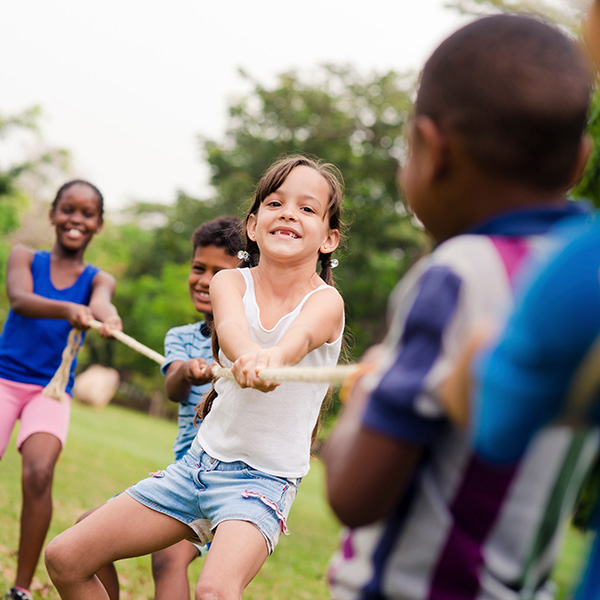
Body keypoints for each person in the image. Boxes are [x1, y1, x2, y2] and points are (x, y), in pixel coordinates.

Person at [323, 14, 598, 600]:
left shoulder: (457, 274)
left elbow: (355, 496)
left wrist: (366, 393)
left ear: (431, 149)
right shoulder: (587, 277)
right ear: (579, 160)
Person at [44, 154, 345, 600]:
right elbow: (232, 332)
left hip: (261, 483)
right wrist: (248, 358)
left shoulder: (326, 303)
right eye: (275, 203)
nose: (288, 213)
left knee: (213, 592)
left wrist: (272, 359)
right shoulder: (230, 283)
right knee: (65, 558)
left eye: (306, 208)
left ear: (328, 238)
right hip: (197, 467)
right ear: (253, 225)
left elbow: (297, 340)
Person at [76, 216, 244, 600]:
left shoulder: (249, 340)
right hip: (183, 476)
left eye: (219, 272)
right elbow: (172, 390)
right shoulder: (182, 338)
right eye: (198, 267)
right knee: (86, 531)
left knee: (167, 559)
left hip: (224, 481)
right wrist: (186, 371)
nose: (204, 280)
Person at [0, 180, 122, 600]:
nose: (76, 220)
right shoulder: (24, 258)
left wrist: (109, 319)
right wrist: (70, 309)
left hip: (49, 392)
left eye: (87, 214)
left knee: (39, 472)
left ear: (98, 225)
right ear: (53, 214)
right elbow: (19, 298)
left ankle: (20, 588)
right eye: (68, 210)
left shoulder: (96, 279)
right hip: (4, 380)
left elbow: (103, 302)